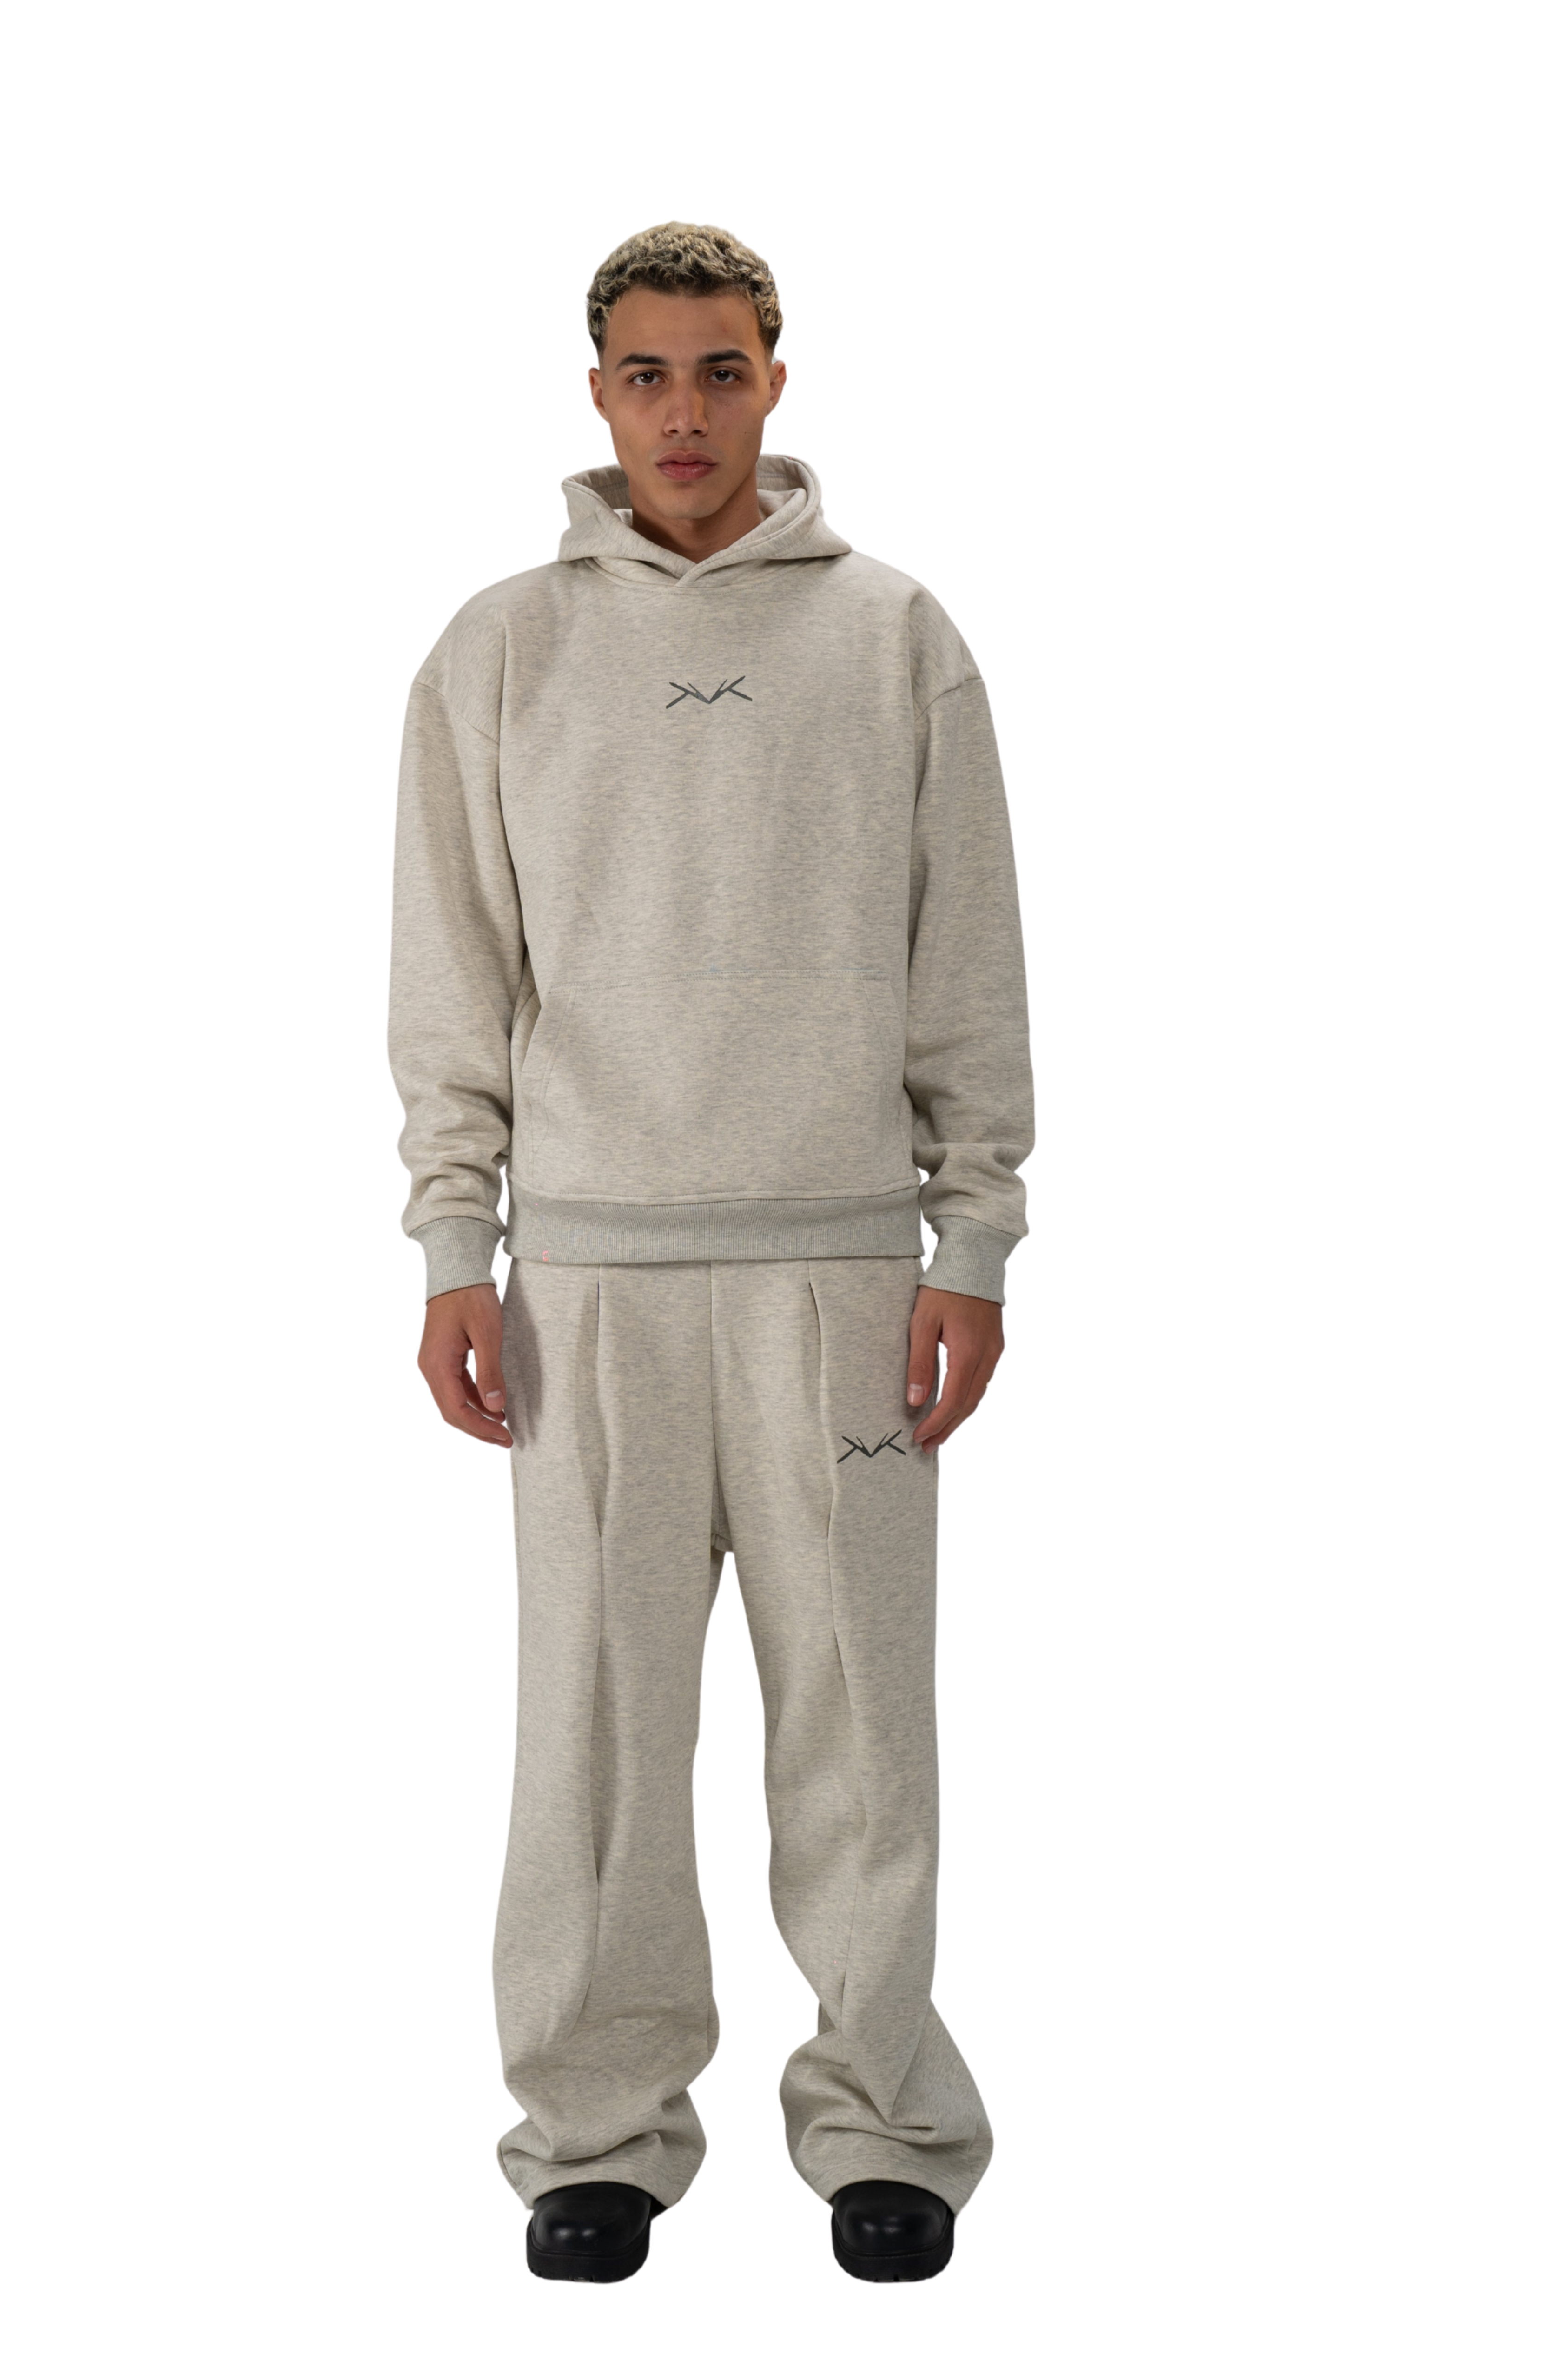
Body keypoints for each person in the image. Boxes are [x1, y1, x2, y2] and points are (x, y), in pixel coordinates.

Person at [389, 223, 1033, 2284]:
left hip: (841, 1273)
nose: (686, 411)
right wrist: (454, 1237)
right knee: (592, 1732)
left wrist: (973, 1238)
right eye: (649, 374)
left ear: (776, 378)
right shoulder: (498, 651)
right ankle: (594, 2128)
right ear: (597, 392)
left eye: (723, 370)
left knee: (862, 1721)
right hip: (586, 1281)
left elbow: (967, 958)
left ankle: (884, 2120)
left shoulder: (896, 636)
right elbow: (452, 975)